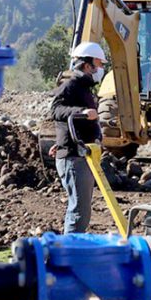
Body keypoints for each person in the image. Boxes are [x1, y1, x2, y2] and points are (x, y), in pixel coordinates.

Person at [49, 42, 106, 233]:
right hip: (73, 156)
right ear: (87, 64)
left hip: (80, 154)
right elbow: (56, 110)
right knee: (79, 211)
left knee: (81, 209)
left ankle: (71, 249)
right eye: (98, 63)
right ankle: (69, 254)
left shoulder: (84, 88)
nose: (101, 68)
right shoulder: (71, 85)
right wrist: (81, 111)